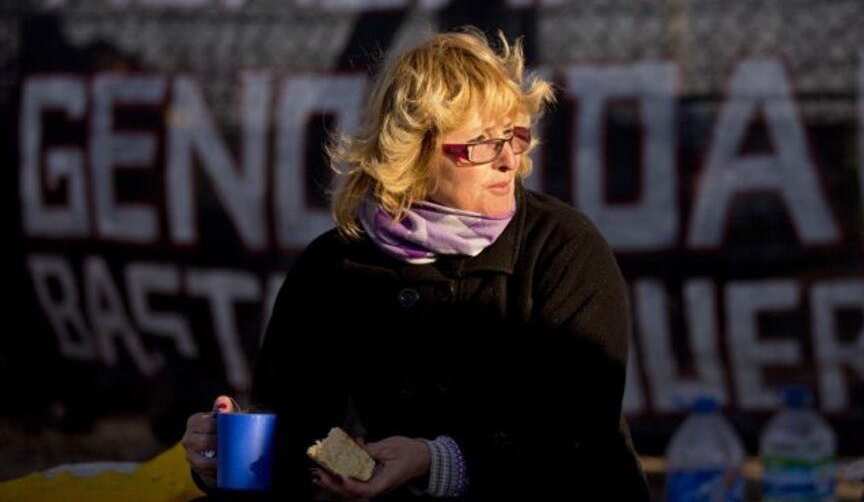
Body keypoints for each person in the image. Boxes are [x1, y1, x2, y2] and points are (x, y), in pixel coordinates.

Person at [181, 28, 651, 501]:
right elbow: (296, 432)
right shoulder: (333, 264)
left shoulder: (564, 249)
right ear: (414, 152)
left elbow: (576, 432)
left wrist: (437, 461)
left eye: (515, 135)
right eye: (483, 144)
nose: (510, 159)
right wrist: (220, 457)